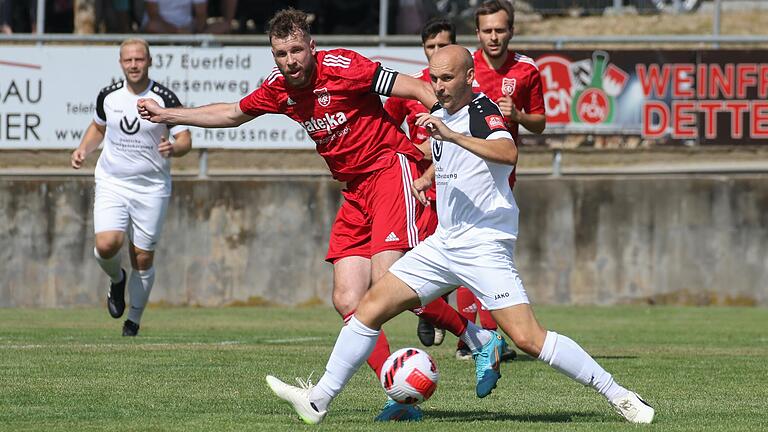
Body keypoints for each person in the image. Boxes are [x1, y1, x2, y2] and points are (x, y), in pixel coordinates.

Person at [137, 8, 501, 422]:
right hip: (353, 193)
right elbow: (232, 114)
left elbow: (417, 87)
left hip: (388, 169)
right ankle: (399, 393)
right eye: (280, 53)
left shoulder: (344, 67)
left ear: (312, 46)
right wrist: (169, 115)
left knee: (387, 282)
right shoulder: (280, 89)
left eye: (296, 50)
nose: (290, 60)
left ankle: (476, 338)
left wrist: (455, 127)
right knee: (347, 298)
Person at [265, 45, 655, 425]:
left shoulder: (481, 110)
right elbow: (455, 160)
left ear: (470, 77)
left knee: (528, 338)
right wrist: (429, 174)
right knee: (367, 309)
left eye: (447, 78)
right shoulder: (441, 111)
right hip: (444, 243)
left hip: (484, 245)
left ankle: (619, 394)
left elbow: (507, 153)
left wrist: (450, 136)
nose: (438, 86)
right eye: (433, 78)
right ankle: (318, 400)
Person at [70, 38, 192, 336]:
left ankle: (133, 320)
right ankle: (116, 280)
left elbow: (186, 139)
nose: (134, 65)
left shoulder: (164, 97)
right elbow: (98, 127)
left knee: (143, 257)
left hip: (151, 187)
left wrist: (173, 148)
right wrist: (83, 149)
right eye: (129, 60)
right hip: (113, 181)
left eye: (140, 59)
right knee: (107, 244)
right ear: (121, 63)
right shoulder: (108, 96)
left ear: (149, 61)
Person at [449, 0, 548, 361]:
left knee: (490, 252)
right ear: (477, 33)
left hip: (500, 177)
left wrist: (518, 115)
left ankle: (487, 335)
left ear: (511, 31)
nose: (494, 36)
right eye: (487, 30)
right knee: (460, 248)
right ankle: (470, 335)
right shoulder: (465, 66)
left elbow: (540, 121)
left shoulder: (526, 70)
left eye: (500, 29)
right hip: (460, 171)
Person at [383, 16, 452, 349]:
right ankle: (434, 313)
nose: (436, 52)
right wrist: (414, 151)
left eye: (443, 45)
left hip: (458, 185)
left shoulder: (467, 89)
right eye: (430, 47)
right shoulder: (409, 88)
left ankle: (463, 334)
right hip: (420, 190)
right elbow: (386, 131)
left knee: (462, 259)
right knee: (418, 259)